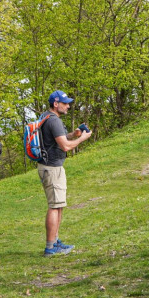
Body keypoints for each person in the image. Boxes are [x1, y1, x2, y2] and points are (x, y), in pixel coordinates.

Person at [37, 90, 92, 256]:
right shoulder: (54, 121)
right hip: (52, 168)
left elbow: (58, 139)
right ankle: (50, 247)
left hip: (50, 166)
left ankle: (55, 241)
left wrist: (72, 134)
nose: (68, 106)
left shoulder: (45, 117)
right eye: (65, 103)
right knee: (54, 206)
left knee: (59, 205)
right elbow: (66, 146)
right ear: (56, 103)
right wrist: (82, 138)